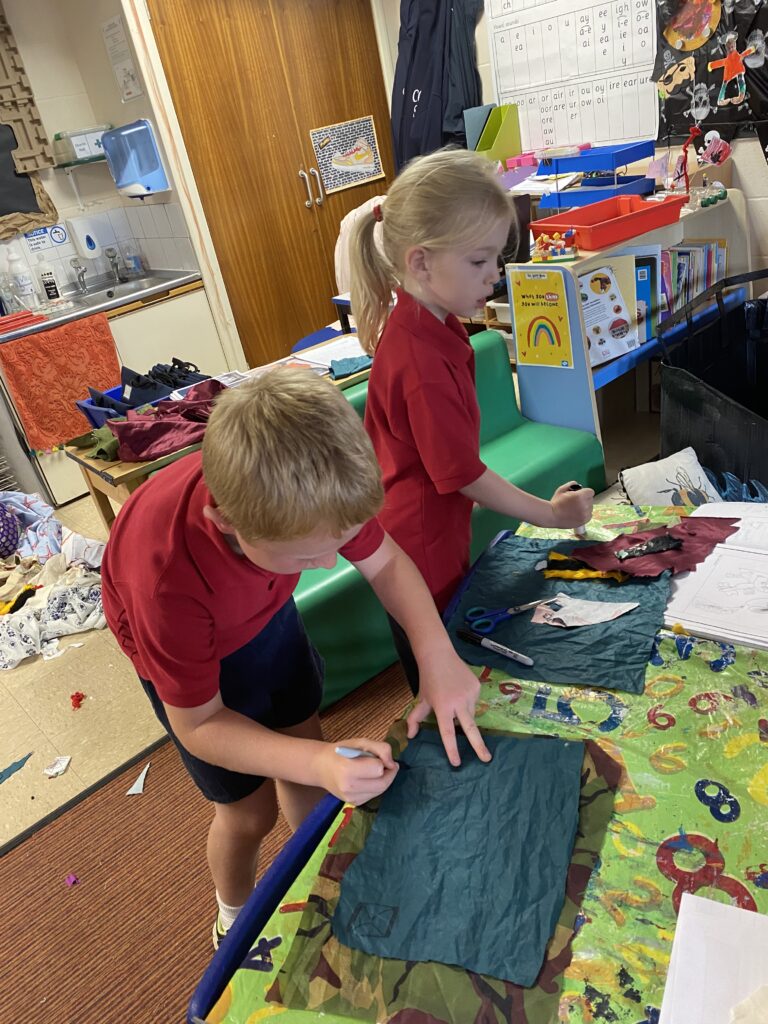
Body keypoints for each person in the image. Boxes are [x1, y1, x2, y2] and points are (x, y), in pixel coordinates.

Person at [101, 368, 490, 948]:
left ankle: (315, 872)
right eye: (312, 556)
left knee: (305, 739)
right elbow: (201, 724)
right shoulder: (166, 583)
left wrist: (436, 656)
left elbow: (385, 564)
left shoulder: (312, 500)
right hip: (188, 660)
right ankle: (230, 918)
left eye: (339, 545)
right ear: (226, 525)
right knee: (247, 814)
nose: (333, 565)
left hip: (264, 618)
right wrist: (319, 765)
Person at [350, 148, 594, 691]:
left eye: (496, 259)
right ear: (421, 263)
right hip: (417, 550)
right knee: (439, 671)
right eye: (479, 261)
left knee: (444, 658)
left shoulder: (433, 322)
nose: (495, 275)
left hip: (429, 532)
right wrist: (550, 515)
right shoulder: (419, 361)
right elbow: (463, 475)